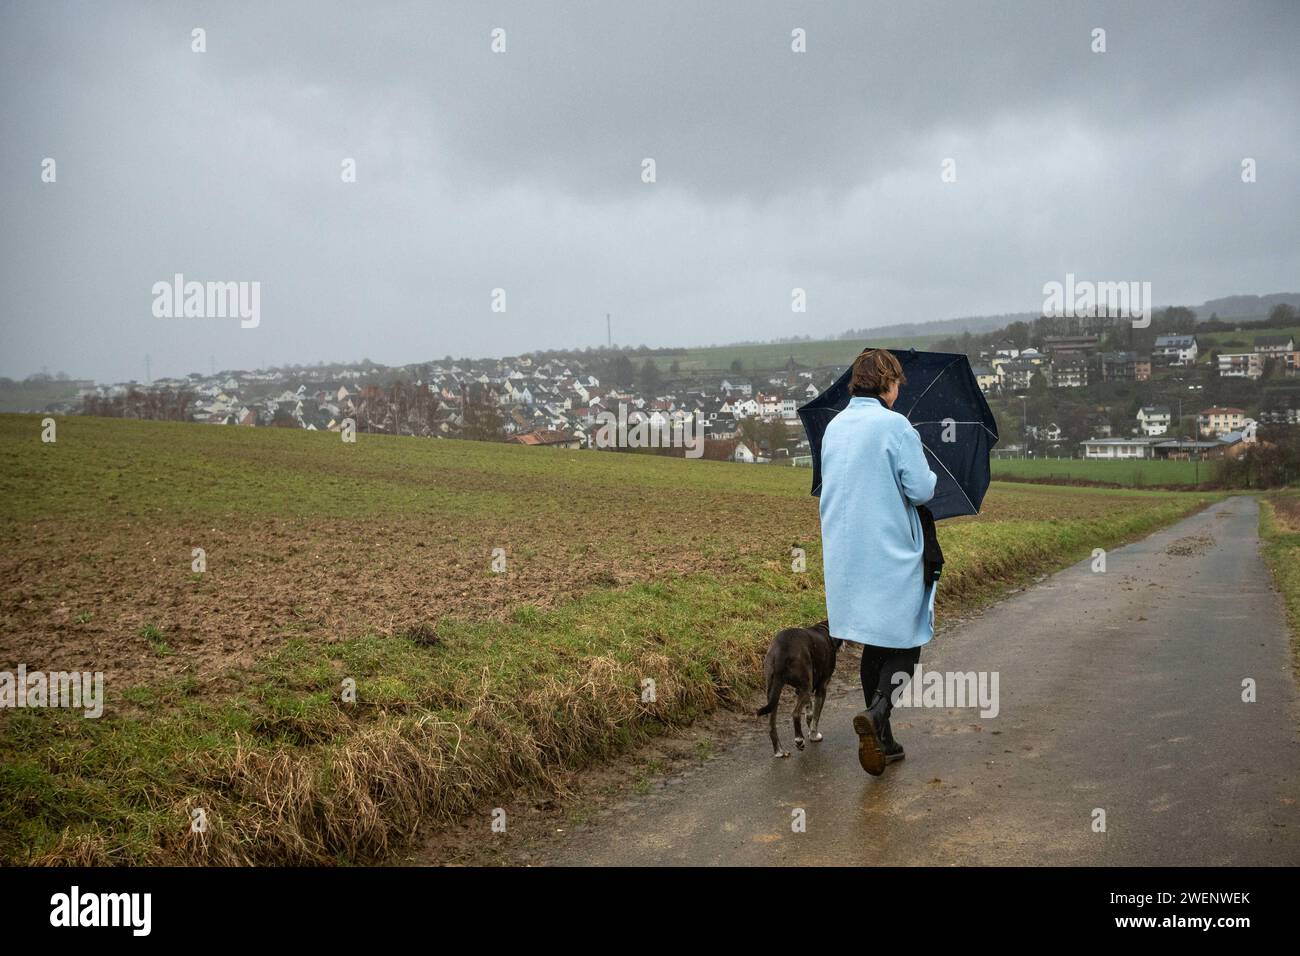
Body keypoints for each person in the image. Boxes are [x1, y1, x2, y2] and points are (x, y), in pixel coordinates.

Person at [818, 349, 937, 776]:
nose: (899, 391)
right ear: (887, 383)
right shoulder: (896, 426)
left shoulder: (834, 427)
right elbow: (921, 490)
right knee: (907, 637)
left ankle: (882, 740)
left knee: (872, 637)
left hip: (845, 554)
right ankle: (880, 711)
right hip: (889, 550)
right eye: (898, 384)